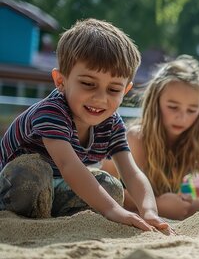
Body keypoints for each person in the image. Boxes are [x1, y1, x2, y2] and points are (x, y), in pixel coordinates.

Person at [0, 19, 170, 233]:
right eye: (88, 84)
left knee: (111, 187)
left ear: (125, 91)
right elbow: (69, 166)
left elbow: (131, 172)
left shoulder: (111, 123)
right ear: (61, 81)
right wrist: (114, 211)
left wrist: (149, 211)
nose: (100, 98)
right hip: (14, 185)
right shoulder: (51, 112)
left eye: (113, 89)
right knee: (33, 174)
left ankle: (53, 218)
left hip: (57, 189)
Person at [102, 55, 199, 220]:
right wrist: (157, 205)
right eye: (173, 107)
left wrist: (188, 208)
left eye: (192, 110)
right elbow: (105, 186)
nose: (182, 117)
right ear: (155, 101)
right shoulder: (136, 138)